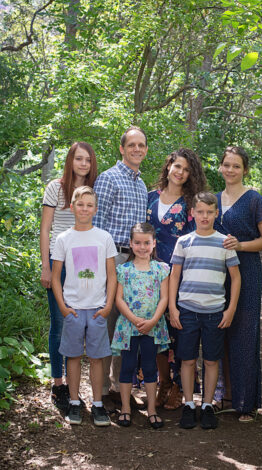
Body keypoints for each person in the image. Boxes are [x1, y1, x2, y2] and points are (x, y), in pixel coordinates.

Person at [168, 192, 241, 430]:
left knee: (211, 360)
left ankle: (207, 405)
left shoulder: (224, 242)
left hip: (215, 312)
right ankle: (189, 405)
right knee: (187, 360)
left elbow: (235, 278)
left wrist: (230, 310)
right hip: (187, 310)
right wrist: (173, 308)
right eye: (200, 211)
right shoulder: (184, 242)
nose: (204, 216)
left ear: (216, 213)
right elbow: (174, 275)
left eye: (209, 212)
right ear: (192, 213)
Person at [213, 146, 262, 422]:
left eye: (236, 166)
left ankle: (246, 403)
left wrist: (241, 245)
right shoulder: (214, 199)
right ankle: (223, 397)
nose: (230, 170)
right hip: (217, 274)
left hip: (247, 272)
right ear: (220, 167)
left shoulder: (254, 200)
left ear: (245, 170)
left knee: (245, 334)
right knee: (219, 333)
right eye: (226, 165)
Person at [51, 186, 117, 427]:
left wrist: (108, 305)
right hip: (74, 308)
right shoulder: (63, 239)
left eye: (90, 205)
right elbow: (56, 276)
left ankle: (98, 404)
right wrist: (63, 307)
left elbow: (112, 275)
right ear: (72, 208)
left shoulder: (104, 237)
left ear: (95, 209)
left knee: (97, 358)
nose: (85, 209)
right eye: (80, 205)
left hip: (98, 308)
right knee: (74, 356)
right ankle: (75, 402)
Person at [40, 142, 98, 415]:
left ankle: (77, 387)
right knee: (60, 324)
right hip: (58, 263)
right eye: (79, 158)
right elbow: (45, 229)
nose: (83, 164)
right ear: (70, 160)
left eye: (88, 159)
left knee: (81, 322)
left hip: (84, 262)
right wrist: (46, 267)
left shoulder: (93, 190)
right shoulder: (56, 187)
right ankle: (58, 384)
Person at [147, 148, 207, 411]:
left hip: (180, 276)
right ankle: (164, 383)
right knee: (158, 334)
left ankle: (183, 389)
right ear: (168, 166)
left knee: (180, 332)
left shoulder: (191, 204)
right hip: (151, 275)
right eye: (177, 166)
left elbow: (196, 242)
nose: (180, 172)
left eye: (186, 169)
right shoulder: (150, 197)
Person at [94, 126, 149, 405]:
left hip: (135, 261)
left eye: (141, 145)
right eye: (132, 145)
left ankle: (118, 386)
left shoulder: (141, 185)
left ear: (146, 150)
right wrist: (102, 266)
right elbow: (96, 223)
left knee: (124, 327)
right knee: (107, 322)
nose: (137, 149)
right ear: (122, 148)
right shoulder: (109, 178)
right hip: (112, 258)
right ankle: (101, 390)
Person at [111, 223, 171, 429]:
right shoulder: (123, 270)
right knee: (127, 367)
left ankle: (152, 409)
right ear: (130, 244)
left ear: (154, 244)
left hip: (153, 327)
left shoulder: (161, 269)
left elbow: (165, 298)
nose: (142, 247)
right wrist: (134, 320)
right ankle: (126, 408)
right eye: (137, 243)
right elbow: (118, 299)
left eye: (147, 243)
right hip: (129, 328)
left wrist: (153, 320)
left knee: (150, 367)